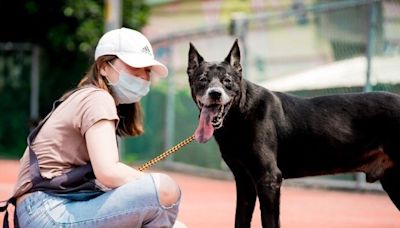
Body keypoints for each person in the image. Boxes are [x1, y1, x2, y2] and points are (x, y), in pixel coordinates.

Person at [9, 27, 185, 227]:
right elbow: (108, 172)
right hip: (48, 211)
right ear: (103, 66)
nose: (144, 76)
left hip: (49, 209)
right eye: (135, 66)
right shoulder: (98, 98)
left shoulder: (88, 96)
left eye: (147, 70)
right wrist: (149, 182)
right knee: (165, 189)